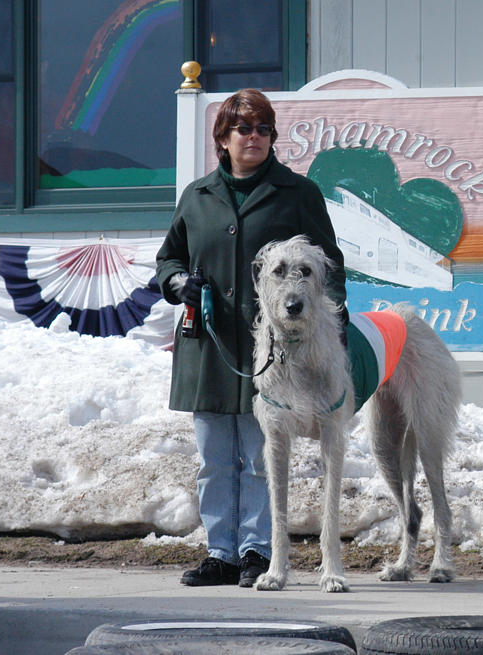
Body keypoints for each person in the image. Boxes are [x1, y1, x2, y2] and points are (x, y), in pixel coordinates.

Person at [156, 88, 347, 587]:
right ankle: (220, 552)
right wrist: (179, 283)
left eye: (264, 129)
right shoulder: (197, 196)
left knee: (264, 454)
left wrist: (331, 324)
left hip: (277, 351)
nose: (255, 137)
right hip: (211, 342)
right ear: (224, 137)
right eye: (245, 129)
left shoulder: (298, 193)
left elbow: (331, 266)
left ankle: (258, 552)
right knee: (215, 457)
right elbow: (169, 257)